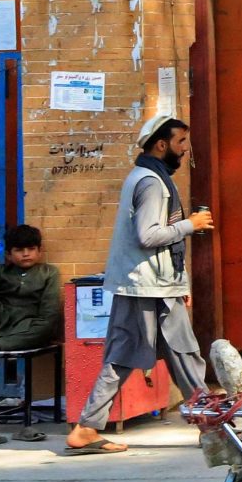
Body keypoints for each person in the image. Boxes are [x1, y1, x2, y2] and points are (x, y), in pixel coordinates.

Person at [66, 114, 215, 455]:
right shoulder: (151, 182)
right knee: (173, 355)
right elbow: (148, 236)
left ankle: (211, 425)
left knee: (172, 355)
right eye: (180, 143)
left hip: (153, 285)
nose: (184, 149)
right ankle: (214, 427)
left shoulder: (146, 176)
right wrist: (190, 225)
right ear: (161, 145)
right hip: (147, 286)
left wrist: (180, 283)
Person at [0, 223, 61, 359]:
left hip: (28, 326)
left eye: (31, 249)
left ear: (39, 251)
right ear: (8, 255)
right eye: (19, 250)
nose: (26, 254)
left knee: (47, 328)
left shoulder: (49, 273)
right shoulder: (0, 272)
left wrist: (43, 326)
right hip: (0, 322)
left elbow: (50, 312)